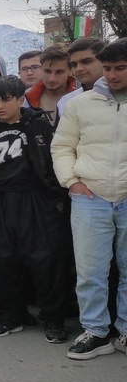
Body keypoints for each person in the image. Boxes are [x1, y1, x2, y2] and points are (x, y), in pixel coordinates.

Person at [0, 76, 73, 341]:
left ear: (20, 99)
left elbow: (52, 160)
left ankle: (53, 318)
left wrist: (55, 198)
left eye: (6, 99)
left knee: (45, 260)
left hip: (34, 200)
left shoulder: (38, 123)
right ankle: (11, 315)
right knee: (2, 261)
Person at [51, 38, 127, 360]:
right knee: (90, 271)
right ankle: (96, 332)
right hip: (89, 196)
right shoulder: (79, 104)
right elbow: (61, 146)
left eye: (120, 68)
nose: (111, 75)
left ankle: (124, 332)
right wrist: (71, 182)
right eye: (107, 68)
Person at [24, 44, 75, 125]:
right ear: (41, 69)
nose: (52, 78)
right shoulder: (25, 99)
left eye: (59, 72)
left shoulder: (80, 97)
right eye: (47, 71)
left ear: (71, 71)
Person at [58, 37, 107, 117]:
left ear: (104, 61)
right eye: (74, 65)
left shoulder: (121, 97)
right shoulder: (66, 102)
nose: (79, 69)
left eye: (86, 61)